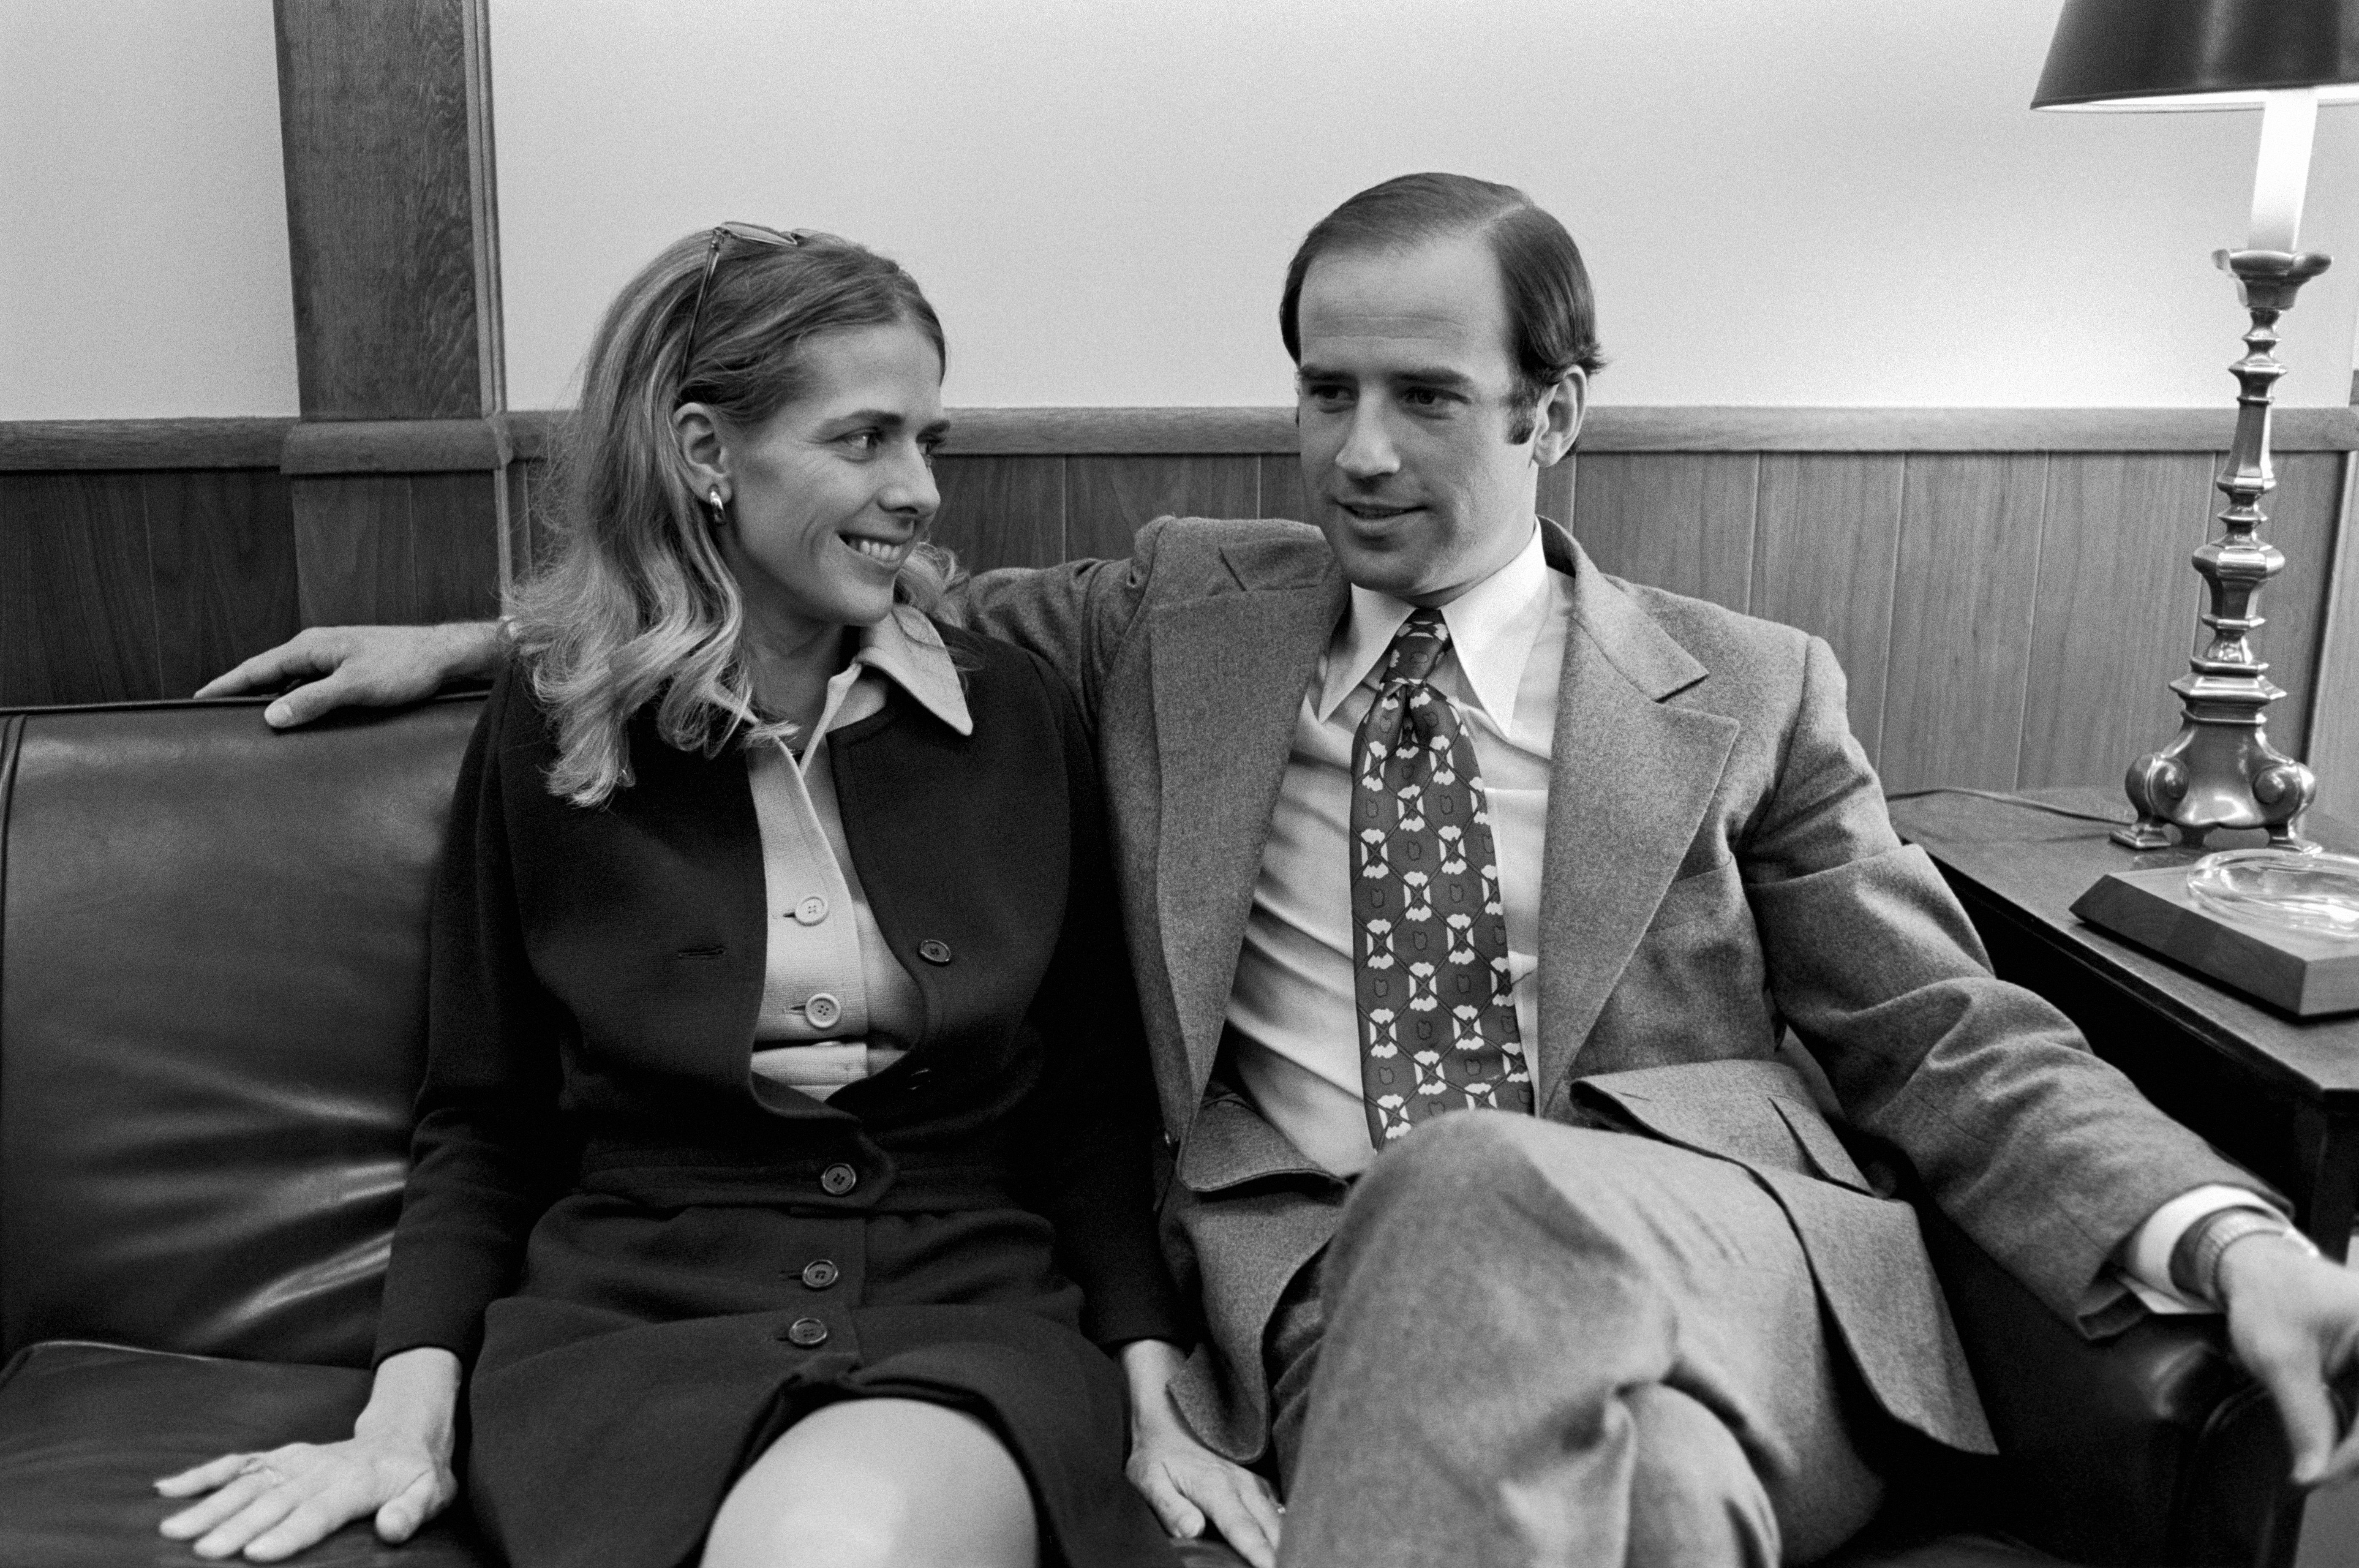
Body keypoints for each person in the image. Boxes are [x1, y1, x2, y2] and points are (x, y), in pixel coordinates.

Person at [199, 176, 2359, 1567]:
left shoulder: (1747, 686)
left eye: (1426, 395)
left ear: (1556, 412)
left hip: (1714, 1265)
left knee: (1484, 1179)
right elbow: (802, 599)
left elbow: (1942, 1027)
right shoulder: (1176, 618)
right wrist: (496, 642)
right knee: (1642, 1511)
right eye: (1324, 389)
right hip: (1329, 1302)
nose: (1357, 450)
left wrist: (2222, 1227)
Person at [154, 224, 1263, 1568]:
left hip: (965, 1312)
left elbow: (1088, 1110)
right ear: (704, 453)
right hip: (626, 1331)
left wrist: (1156, 1393)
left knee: (835, 1545)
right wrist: (404, 1423)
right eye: (864, 441)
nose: (918, 490)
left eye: (929, 442)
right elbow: (484, 1122)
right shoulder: (550, 729)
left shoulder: (1016, 713)